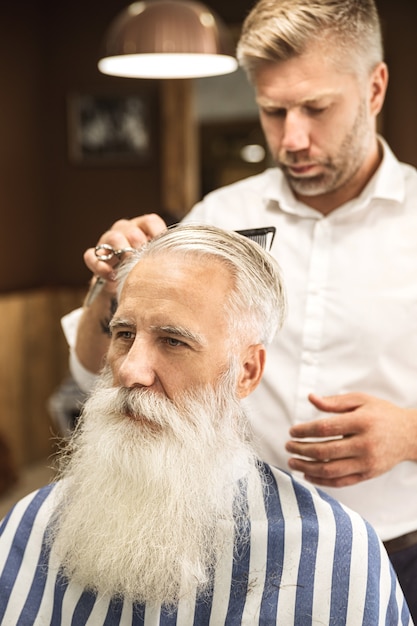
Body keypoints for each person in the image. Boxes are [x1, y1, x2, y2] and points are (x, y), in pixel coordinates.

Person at [61, 0, 417, 617]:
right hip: (236, 546)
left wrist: (413, 434)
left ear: (375, 87)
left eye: (316, 108)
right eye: (273, 111)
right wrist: (108, 291)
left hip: (399, 548)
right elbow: (92, 370)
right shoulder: (219, 218)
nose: (293, 138)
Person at [0, 225, 412, 624]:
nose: (131, 370)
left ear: (246, 372)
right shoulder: (29, 525)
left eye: (174, 341)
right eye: (124, 333)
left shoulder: (334, 556)